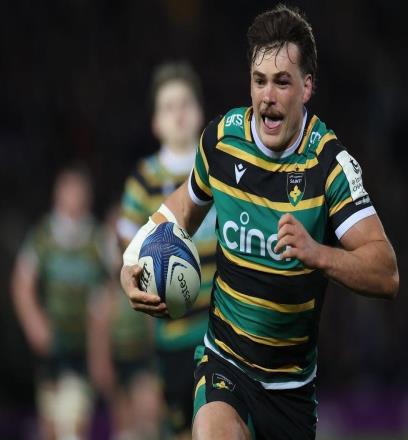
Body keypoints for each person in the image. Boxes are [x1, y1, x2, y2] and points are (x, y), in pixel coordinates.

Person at [121, 5, 399, 440]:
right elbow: (181, 209)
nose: (267, 95)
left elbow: (386, 273)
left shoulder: (329, 165)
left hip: (290, 388)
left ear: (307, 87)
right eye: (259, 80)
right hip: (224, 360)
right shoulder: (221, 141)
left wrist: (318, 254)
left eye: (282, 82)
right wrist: (131, 259)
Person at [117, 62, 217, 438]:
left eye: (185, 103)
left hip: (223, 329)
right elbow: (126, 246)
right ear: (156, 123)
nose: (178, 114)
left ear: (200, 112)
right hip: (173, 336)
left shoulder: (219, 168)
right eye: (168, 107)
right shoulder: (144, 179)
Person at [11, 167, 106, 440]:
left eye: (79, 192)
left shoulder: (97, 239)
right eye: (68, 191)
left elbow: (112, 285)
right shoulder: (43, 236)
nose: (73, 198)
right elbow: (21, 283)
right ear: (57, 195)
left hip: (84, 344)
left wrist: (100, 338)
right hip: (53, 343)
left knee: (73, 421)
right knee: (50, 423)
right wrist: (34, 323)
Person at [87, 204, 161, 440]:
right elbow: (98, 332)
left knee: (148, 412)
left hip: (142, 362)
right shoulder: (103, 290)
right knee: (124, 425)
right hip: (117, 365)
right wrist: (102, 364)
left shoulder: (147, 280)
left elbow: (153, 324)